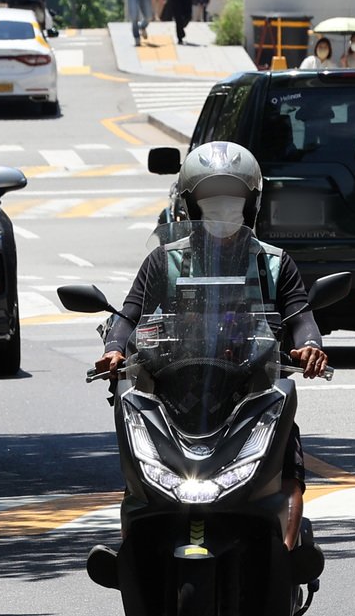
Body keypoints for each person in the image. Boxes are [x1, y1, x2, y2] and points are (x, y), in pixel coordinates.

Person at [87, 141, 327, 582]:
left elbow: (301, 318)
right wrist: (114, 350)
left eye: (232, 201)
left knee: (288, 463)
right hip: (177, 388)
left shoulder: (274, 264)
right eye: (211, 201)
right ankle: (130, 553)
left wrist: (309, 347)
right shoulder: (164, 260)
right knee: (138, 459)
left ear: (251, 205)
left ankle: (289, 555)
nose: (222, 210)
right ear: (190, 207)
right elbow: (128, 315)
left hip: (251, 389)